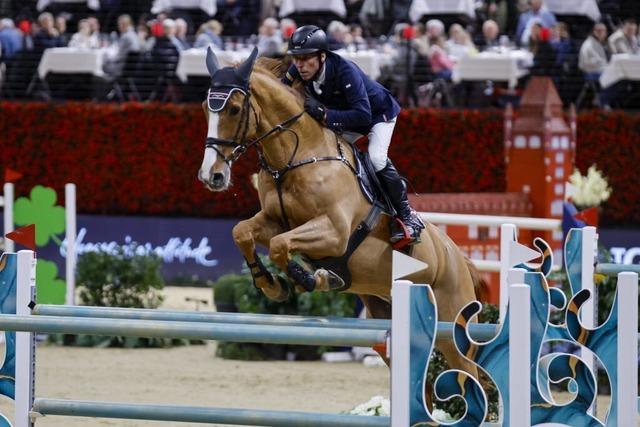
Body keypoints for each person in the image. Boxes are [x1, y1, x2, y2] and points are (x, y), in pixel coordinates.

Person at [281, 25, 425, 246]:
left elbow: (362, 114)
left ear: (322, 56)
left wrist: (325, 115)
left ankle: (407, 217)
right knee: (325, 151)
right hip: (350, 117)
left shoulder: (344, 71)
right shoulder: (299, 68)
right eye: (296, 58)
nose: (300, 65)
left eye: (305, 58)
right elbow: (280, 91)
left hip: (378, 116)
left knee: (376, 158)